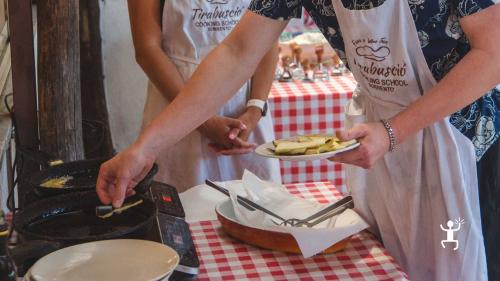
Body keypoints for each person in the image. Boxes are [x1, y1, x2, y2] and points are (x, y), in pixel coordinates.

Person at [97, 1, 500, 280]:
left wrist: (395, 131)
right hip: (384, 147)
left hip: (462, 142)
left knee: (457, 258)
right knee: (391, 264)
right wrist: (143, 150)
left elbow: (494, 51)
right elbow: (237, 52)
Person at [127, 0, 281, 192]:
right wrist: (202, 120)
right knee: (184, 205)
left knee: (257, 205)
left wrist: (255, 109)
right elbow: (147, 49)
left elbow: (268, 38)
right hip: (176, 103)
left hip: (244, 106)